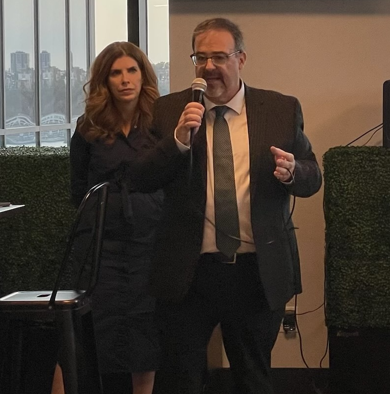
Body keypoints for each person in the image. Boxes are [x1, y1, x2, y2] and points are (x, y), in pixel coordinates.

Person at [128, 18, 322, 394]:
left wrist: (293, 171)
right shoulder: (170, 111)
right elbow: (139, 178)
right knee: (181, 379)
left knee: (253, 378)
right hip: (188, 272)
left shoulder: (279, 108)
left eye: (219, 56)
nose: (209, 67)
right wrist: (178, 142)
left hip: (255, 270)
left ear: (241, 58)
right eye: (200, 57)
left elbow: (313, 177)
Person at [69, 41, 163, 394]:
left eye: (132, 70)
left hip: (150, 245)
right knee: (99, 330)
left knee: (145, 333)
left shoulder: (162, 123)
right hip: (102, 250)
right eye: (116, 73)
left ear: (143, 75)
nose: (125, 80)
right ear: (104, 81)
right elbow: (78, 190)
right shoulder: (88, 128)